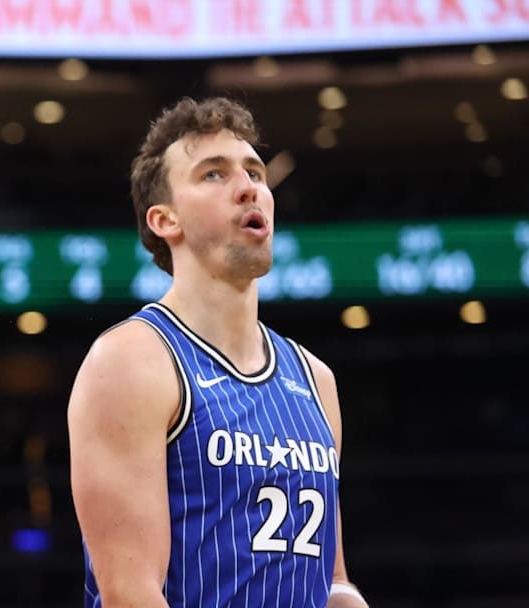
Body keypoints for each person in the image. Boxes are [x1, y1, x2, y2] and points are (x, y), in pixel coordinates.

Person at [67, 97, 367, 607]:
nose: (250, 186)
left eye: (255, 171)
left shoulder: (316, 380)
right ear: (165, 220)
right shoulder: (131, 361)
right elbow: (130, 594)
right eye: (214, 174)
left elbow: (330, 580)